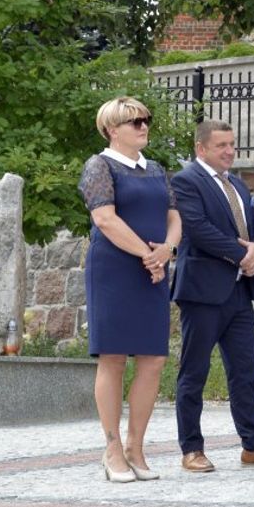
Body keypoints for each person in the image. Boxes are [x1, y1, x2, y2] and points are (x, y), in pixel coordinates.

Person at [171, 119, 254, 472]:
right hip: (202, 291)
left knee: (245, 371)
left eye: (232, 144)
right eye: (221, 146)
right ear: (201, 149)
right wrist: (242, 254)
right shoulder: (187, 181)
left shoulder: (238, 185)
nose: (230, 151)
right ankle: (192, 449)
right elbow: (197, 229)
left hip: (240, 291)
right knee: (194, 371)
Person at [79, 96, 182, 483]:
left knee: (154, 359)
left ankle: (136, 446)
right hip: (116, 269)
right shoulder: (99, 166)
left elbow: (174, 216)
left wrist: (167, 250)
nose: (143, 126)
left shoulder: (156, 169)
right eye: (134, 121)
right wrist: (148, 255)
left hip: (153, 267)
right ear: (112, 129)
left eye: (145, 119)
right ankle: (112, 448)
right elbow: (105, 219)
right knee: (114, 358)